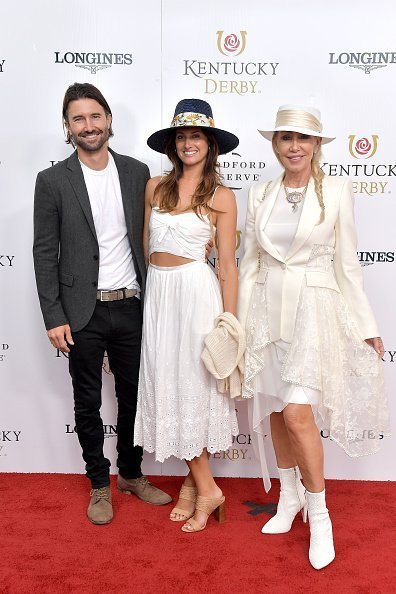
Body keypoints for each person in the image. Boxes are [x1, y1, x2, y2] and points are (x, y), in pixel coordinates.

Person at [238, 104, 390, 569]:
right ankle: (289, 500)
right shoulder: (259, 192)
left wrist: (366, 327)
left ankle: (320, 516)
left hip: (314, 313)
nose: (294, 147)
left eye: (303, 139)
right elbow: (249, 264)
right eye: (285, 138)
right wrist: (240, 328)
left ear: (317, 145)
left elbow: (348, 266)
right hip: (266, 315)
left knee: (299, 413)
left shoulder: (339, 192)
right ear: (275, 145)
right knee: (278, 414)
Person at [33, 82, 172, 526]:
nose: (88, 126)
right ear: (67, 127)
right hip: (81, 312)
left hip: (132, 305)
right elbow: (43, 252)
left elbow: (152, 236)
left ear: (109, 119)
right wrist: (54, 316)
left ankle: (131, 473)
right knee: (87, 402)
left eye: (95, 116)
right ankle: (98, 482)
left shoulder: (137, 172)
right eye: (78, 119)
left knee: (134, 397)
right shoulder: (52, 180)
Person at [134, 98, 240, 533]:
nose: (188, 143)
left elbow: (228, 265)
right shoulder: (154, 187)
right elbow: (147, 248)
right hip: (161, 295)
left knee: (194, 388)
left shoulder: (222, 196)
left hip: (198, 298)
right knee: (168, 386)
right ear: (172, 144)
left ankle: (206, 489)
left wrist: (229, 323)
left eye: (196, 136)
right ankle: (195, 486)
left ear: (210, 143)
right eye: (181, 136)